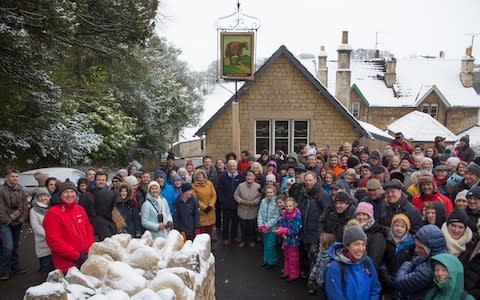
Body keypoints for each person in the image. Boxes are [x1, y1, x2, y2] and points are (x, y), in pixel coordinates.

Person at [43, 181, 94, 273]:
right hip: (67, 264)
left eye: (72, 191)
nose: (70, 195)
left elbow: (88, 229)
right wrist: (77, 257)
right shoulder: (53, 213)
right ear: (60, 195)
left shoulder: (79, 209)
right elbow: (54, 241)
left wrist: (90, 248)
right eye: (66, 192)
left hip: (85, 258)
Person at [324, 224, 382, 299]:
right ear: (347, 246)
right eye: (356, 244)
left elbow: (375, 288)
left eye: (363, 244)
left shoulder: (367, 261)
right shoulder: (335, 268)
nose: (361, 249)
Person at [395, 224, 448, 300]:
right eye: (416, 246)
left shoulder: (426, 272)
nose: (416, 250)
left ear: (431, 249)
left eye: (421, 248)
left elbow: (399, 281)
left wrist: (408, 263)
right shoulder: (436, 258)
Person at [0, 169, 29, 280]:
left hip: (17, 222)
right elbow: (1, 209)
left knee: (15, 246)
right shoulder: (1, 190)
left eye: (16, 176)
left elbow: (24, 207)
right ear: (7, 177)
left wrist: (20, 220)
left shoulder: (20, 190)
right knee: (8, 246)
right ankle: (4, 270)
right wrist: (9, 220)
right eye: (12, 176)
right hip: (4, 223)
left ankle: (15, 266)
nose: (15, 178)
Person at [380, 214, 415, 299]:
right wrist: (385, 274)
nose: (399, 228)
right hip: (388, 283)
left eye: (402, 226)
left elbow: (412, 263)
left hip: (404, 283)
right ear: (392, 226)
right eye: (396, 225)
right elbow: (382, 259)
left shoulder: (411, 244)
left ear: (406, 229)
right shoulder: (387, 241)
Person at [79, 170, 117, 241]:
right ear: (95, 181)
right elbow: (81, 212)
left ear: (106, 181)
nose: (101, 182)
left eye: (103, 180)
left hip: (108, 225)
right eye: (99, 180)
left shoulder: (109, 194)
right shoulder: (87, 195)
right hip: (93, 227)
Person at [217, 160, 245, 245]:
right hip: (226, 203)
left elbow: (243, 188)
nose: (232, 168)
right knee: (225, 222)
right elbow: (219, 189)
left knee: (235, 222)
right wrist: (222, 200)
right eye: (230, 166)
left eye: (234, 166)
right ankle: (225, 238)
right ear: (227, 167)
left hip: (237, 203)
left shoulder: (240, 175)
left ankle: (234, 237)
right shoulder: (223, 176)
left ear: (236, 167)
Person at [276, 197, 302, 281]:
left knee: (293, 258)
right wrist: (281, 230)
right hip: (286, 240)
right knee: (286, 257)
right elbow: (280, 223)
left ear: (294, 206)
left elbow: (296, 230)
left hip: (294, 241)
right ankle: (287, 272)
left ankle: (294, 275)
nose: (288, 208)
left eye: (290, 206)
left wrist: (285, 230)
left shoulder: (297, 216)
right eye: (287, 206)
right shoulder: (284, 214)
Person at [355, 202, 386, 270]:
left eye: (364, 214)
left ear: (370, 216)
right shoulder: (355, 230)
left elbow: (374, 261)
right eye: (358, 214)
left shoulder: (377, 235)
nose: (361, 217)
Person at [29, 188, 54, 273]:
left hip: (55, 242)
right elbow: (36, 227)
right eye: (41, 196)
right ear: (37, 198)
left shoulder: (52, 207)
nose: (43, 198)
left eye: (45, 196)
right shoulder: (34, 210)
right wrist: (50, 235)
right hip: (43, 241)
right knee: (46, 266)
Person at [234, 170, 261, 247]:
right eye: (248, 175)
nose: (249, 177)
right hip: (242, 210)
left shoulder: (258, 186)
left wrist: (254, 202)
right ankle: (243, 240)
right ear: (245, 177)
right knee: (243, 227)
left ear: (254, 177)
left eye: (251, 176)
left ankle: (252, 240)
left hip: (253, 210)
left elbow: (260, 197)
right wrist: (241, 201)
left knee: (252, 228)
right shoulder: (240, 185)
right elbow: (236, 195)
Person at [257, 185, 280, 269]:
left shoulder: (276, 202)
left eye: (271, 192)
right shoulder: (263, 201)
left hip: (273, 229)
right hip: (263, 228)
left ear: (274, 193)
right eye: (267, 192)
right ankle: (266, 261)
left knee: (270, 245)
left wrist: (267, 225)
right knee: (265, 245)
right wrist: (260, 224)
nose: (269, 194)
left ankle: (272, 262)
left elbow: (276, 216)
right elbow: (260, 213)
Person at [192, 169, 217, 237]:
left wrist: (210, 205)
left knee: (210, 229)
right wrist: (204, 207)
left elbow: (214, 195)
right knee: (202, 231)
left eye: (201, 174)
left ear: (204, 175)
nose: (199, 176)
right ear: (195, 176)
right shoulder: (193, 186)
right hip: (202, 211)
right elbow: (195, 199)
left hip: (210, 209)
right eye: (198, 174)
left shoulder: (209, 183)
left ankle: (209, 242)